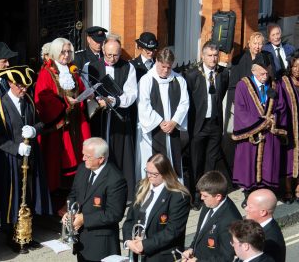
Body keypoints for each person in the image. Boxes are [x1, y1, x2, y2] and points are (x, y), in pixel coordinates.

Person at [0, 65, 52, 252]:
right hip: (10, 160)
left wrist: (34, 130)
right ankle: (13, 236)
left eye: (25, 86)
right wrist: (16, 148)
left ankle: (27, 233)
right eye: (20, 86)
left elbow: (40, 122)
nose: (24, 89)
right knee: (13, 198)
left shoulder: (29, 102)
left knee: (29, 195)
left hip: (30, 157)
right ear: (10, 83)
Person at [34, 37, 91, 193]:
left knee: (80, 154)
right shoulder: (46, 72)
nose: (66, 55)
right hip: (59, 125)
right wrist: (65, 102)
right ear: (54, 53)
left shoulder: (72, 69)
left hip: (76, 121)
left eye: (68, 51)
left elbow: (80, 87)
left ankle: (77, 191)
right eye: (62, 52)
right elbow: (42, 97)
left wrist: (87, 95)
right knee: (59, 160)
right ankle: (59, 197)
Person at [232, 52, 287, 208]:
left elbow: (281, 107)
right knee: (249, 166)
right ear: (254, 71)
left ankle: (265, 195)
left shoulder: (274, 85)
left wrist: (273, 119)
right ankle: (249, 195)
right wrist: (259, 123)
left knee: (268, 165)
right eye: (262, 73)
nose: (265, 76)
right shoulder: (243, 85)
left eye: (267, 72)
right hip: (252, 136)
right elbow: (241, 111)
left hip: (269, 134)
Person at [88, 34, 138, 201]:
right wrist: (95, 99)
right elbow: (87, 89)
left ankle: (122, 194)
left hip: (120, 118)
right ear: (103, 50)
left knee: (120, 155)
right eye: (108, 54)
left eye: (116, 54)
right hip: (99, 118)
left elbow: (132, 94)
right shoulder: (91, 66)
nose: (112, 58)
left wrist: (115, 101)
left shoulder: (128, 67)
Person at [63, 137, 127, 262]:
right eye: (83, 155)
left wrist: (84, 219)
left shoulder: (116, 180)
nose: (83, 159)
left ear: (101, 159)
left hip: (101, 245)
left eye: (88, 156)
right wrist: (70, 212)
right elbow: (74, 194)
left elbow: (114, 214)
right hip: (81, 241)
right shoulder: (83, 169)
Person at [184, 41, 229, 208]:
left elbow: (222, 93)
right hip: (198, 125)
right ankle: (196, 195)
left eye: (216, 55)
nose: (213, 58)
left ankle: (208, 193)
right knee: (196, 161)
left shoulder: (223, 73)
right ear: (202, 56)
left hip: (215, 124)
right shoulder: (192, 74)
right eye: (209, 55)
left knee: (211, 162)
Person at [122, 153, 191, 262]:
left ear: (165, 174)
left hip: (161, 255)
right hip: (136, 251)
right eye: (147, 171)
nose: (149, 176)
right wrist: (128, 241)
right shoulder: (141, 186)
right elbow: (130, 219)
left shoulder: (178, 196)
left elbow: (172, 231)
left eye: (154, 174)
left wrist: (144, 244)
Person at [136, 48, 189, 181]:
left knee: (173, 160)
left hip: (172, 128)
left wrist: (174, 122)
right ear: (156, 61)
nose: (165, 70)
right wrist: (160, 122)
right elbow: (143, 105)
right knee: (154, 162)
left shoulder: (179, 80)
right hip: (153, 131)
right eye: (163, 66)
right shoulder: (146, 80)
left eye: (169, 67)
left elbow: (184, 103)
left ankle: (174, 190)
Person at [181, 171, 242, 262]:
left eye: (205, 196)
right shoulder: (210, 203)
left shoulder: (230, 220)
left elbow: (227, 257)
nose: (201, 198)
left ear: (218, 196)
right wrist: (191, 248)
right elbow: (200, 232)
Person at [245, 189, 285, 262]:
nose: (246, 208)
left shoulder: (268, 242)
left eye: (250, 207)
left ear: (263, 212)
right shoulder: (264, 227)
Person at [280, 50, 299, 203]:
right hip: (290, 128)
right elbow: (280, 106)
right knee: (289, 160)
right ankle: (287, 191)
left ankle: (298, 189)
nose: (297, 69)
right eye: (294, 66)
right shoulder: (284, 82)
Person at [228, 32, 266, 100]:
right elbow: (233, 86)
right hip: (242, 99)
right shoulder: (238, 60)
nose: (257, 47)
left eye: (260, 44)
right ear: (249, 43)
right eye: (254, 43)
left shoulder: (265, 59)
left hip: (260, 99)